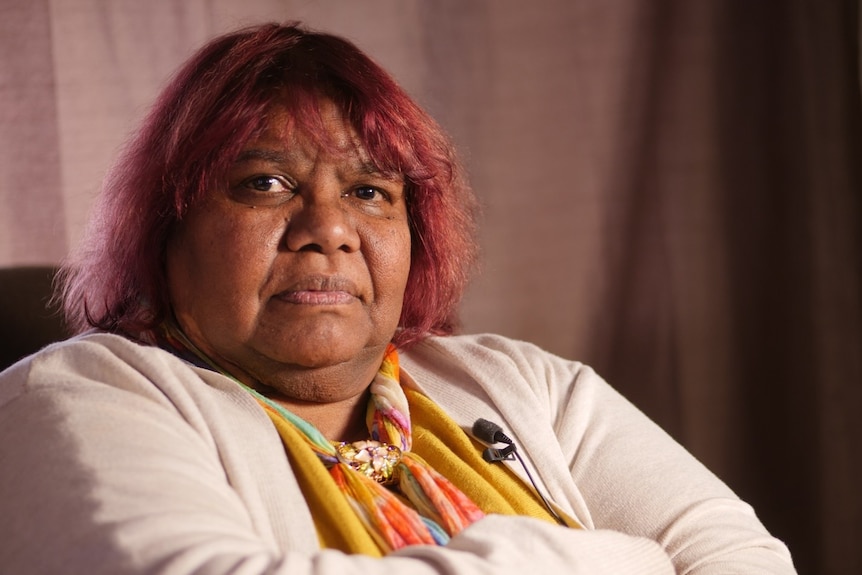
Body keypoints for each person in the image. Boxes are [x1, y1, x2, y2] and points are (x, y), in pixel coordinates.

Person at [0, 22, 796, 574]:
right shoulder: (69, 399)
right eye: (266, 183)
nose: (329, 229)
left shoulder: (528, 386)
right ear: (165, 227)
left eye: (371, 191)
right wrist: (624, 559)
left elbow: (744, 559)